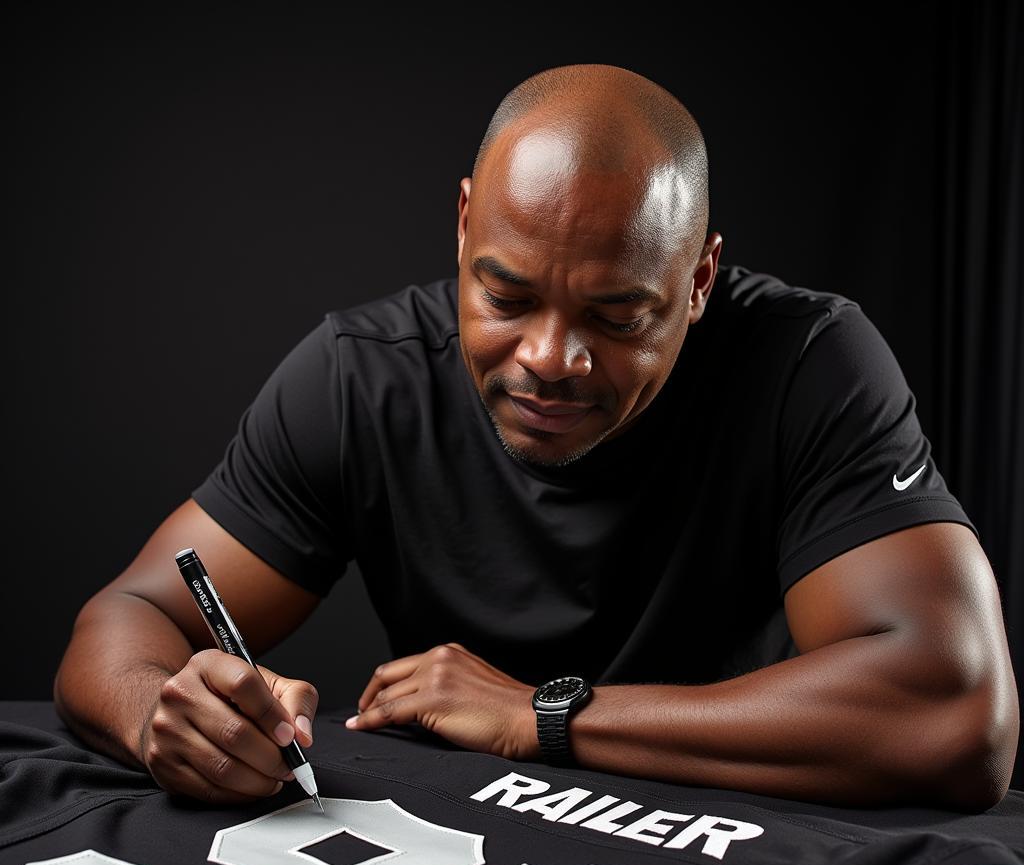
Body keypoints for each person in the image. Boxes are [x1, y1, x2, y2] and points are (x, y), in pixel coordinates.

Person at [53, 63, 1018, 813]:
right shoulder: (361, 374)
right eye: (506, 296)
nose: (550, 358)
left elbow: (956, 716)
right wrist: (164, 718)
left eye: (618, 316)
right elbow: (128, 618)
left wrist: (539, 716)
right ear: (465, 223)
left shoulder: (810, 364)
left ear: (698, 281)